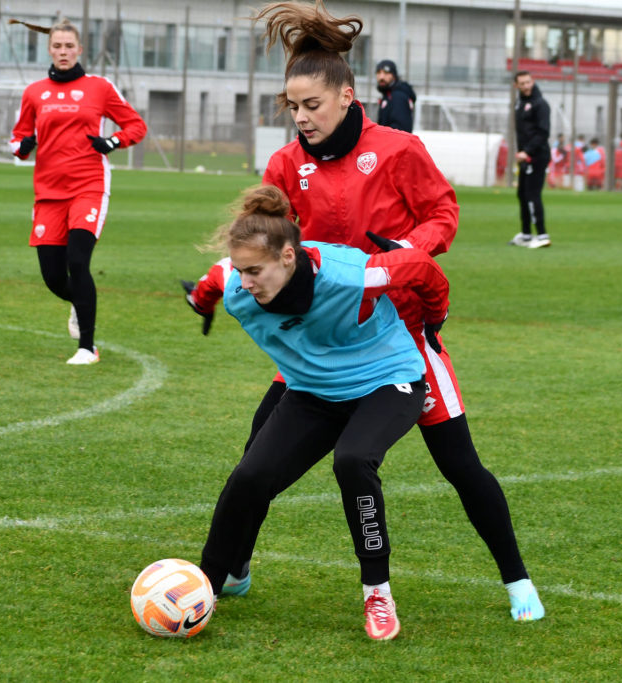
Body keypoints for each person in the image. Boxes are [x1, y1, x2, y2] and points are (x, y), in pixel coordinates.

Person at [185, 0, 544, 626]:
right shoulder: (285, 165)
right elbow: (268, 246)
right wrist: (225, 281)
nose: (300, 119)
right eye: (291, 108)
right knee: (255, 461)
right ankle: (231, 572)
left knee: (459, 464)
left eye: (311, 106)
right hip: (321, 338)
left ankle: (518, 582)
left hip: (401, 333)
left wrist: (410, 253)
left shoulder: (399, 150)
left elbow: (443, 214)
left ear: (348, 97)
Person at [198, 184, 450, 640]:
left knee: (353, 460)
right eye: (241, 271)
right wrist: (201, 300)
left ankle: (377, 591)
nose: (246, 281)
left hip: (388, 382)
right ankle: (206, 586)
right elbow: (214, 280)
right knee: (250, 477)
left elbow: (422, 268)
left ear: (289, 257)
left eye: (255, 270)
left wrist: (434, 320)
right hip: (313, 393)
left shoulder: (352, 276)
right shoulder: (238, 288)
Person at [9, 19, 146, 365]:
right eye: (58, 46)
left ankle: (87, 346)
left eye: (69, 46)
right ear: (49, 49)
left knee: (78, 261)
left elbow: (135, 125)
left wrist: (111, 141)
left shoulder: (99, 87)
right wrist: (23, 145)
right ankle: (78, 302)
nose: (63, 52)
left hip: (89, 186)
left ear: (79, 49)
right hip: (48, 193)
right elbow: (17, 139)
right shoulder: (34, 92)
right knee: (54, 278)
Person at [509, 71, 551, 249]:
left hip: (537, 156)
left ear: (533, 82)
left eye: (528, 82)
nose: (526, 86)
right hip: (525, 157)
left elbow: (543, 132)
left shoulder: (540, 104)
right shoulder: (520, 103)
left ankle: (542, 235)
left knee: (533, 195)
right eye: (522, 83)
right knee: (522, 195)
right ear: (516, 86)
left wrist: (527, 151)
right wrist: (521, 153)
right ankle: (526, 234)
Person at [374, 59, 416, 133]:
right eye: (379, 73)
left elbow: (399, 131)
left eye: (386, 73)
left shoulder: (398, 97)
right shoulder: (388, 95)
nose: (381, 77)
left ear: (394, 76)